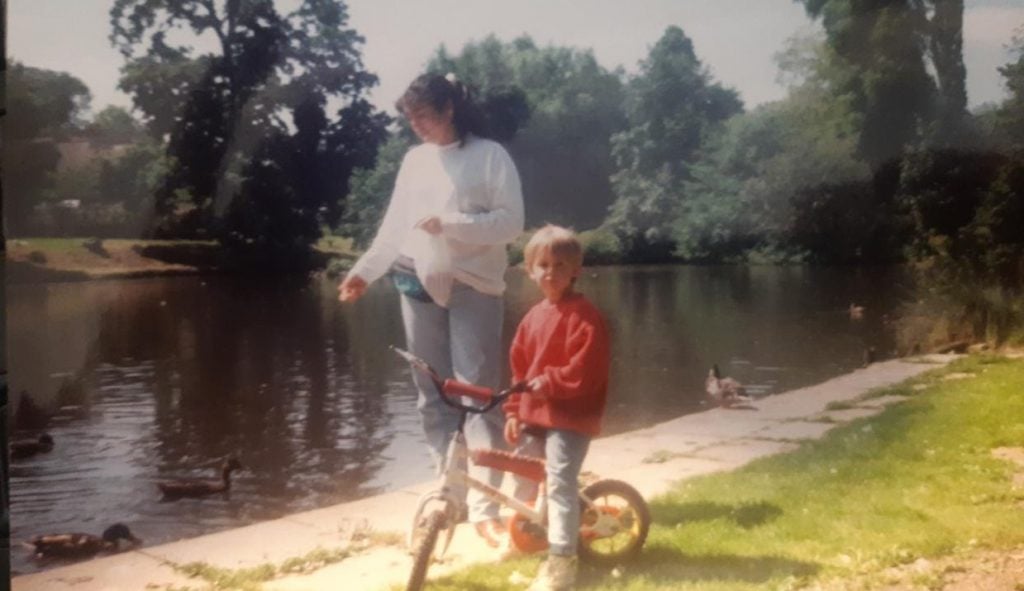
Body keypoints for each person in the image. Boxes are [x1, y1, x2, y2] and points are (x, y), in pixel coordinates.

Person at [338, 73, 524, 546]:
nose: (415, 125)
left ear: (449, 110)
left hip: (473, 285)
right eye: (410, 117)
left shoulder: (489, 155)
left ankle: (485, 505)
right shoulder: (415, 160)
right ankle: (449, 495)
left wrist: (450, 224)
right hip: (415, 281)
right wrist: (365, 271)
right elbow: (395, 226)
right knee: (431, 393)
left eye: (422, 115)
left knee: (478, 396)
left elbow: (510, 223)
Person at [503, 225, 610, 591]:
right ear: (530, 270)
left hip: (571, 416)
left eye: (560, 265)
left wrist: (548, 381)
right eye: (543, 264)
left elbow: (587, 371)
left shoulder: (585, 316)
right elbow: (519, 369)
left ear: (575, 271)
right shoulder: (533, 317)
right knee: (523, 476)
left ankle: (563, 559)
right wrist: (515, 411)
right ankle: (525, 536)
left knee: (560, 483)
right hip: (535, 415)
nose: (551, 272)